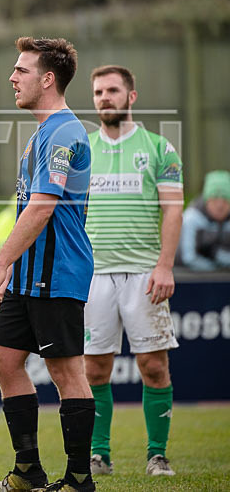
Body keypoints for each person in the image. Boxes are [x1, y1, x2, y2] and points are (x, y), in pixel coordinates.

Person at [0, 37, 95, 492]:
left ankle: (80, 479)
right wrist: (12, 266)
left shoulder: (64, 131)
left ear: (48, 79)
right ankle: (28, 472)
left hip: (57, 271)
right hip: (30, 276)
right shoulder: (41, 134)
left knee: (68, 373)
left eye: (22, 70)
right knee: (4, 361)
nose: (12, 77)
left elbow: (42, 207)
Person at [83, 65, 184, 478]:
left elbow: (173, 209)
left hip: (145, 272)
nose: (104, 98)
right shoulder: (83, 149)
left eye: (112, 91)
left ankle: (156, 454)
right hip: (94, 275)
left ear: (131, 96)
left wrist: (164, 266)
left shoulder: (160, 148)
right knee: (93, 369)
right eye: (98, 92)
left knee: (153, 366)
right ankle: (99, 455)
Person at [178, 170, 230, 270]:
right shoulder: (191, 218)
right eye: (214, 199)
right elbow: (189, 258)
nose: (220, 206)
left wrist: (218, 255)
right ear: (206, 200)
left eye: (225, 200)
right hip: (185, 278)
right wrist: (217, 269)